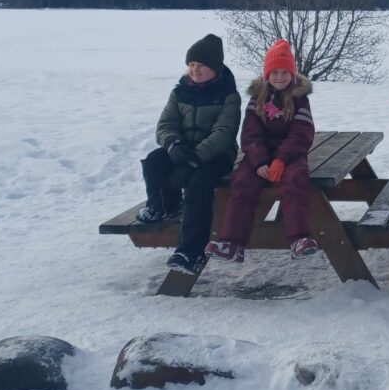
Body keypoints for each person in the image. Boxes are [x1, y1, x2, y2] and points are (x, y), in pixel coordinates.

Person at [136, 33, 241, 275]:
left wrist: (193, 160)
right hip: (182, 149)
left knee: (197, 184)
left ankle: (191, 251)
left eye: (201, 65)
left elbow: (223, 133)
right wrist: (173, 146)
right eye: (192, 65)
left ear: (215, 68)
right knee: (154, 161)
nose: (195, 70)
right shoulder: (180, 91)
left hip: (216, 155)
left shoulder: (228, 95)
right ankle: (163, 206)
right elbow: (165, 125)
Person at [205, 39, 319, 263]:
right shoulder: (257, 99)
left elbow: (301, 134)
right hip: (259, 156)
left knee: (296, 181)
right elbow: (250, 135)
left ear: (292, 74)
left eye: (284, 72)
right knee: (241, 183)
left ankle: (299, 238)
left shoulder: (300, 100)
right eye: (274, 72)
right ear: (267, 74)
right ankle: (232, 242)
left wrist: (281, 160)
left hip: (290, 156)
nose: (279, 77)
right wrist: (259, 163)